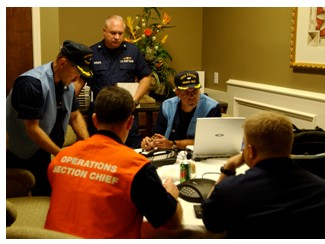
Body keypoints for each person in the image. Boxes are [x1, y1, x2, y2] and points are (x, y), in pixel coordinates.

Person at [44, 86, 183, 238]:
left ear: (95, 120)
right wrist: (171, 194)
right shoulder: (137, 167)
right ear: (130, 122)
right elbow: (172, 223)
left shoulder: (60, 158)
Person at [201, 111, 325, 238]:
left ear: (250, 150)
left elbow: (211, 224)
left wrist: (228, 168)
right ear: (289, 145)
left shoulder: (230, 190)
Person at [6, 40, 92, 196]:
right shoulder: (31, 84)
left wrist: (89, 145)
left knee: (48, 194)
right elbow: (32, 128)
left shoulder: (68, 85)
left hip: (41, 152)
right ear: (63, 63)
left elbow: (75, 116)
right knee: (21, 197)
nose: (77, 78)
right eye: (76, 71)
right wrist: (61, 155)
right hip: (15, 152)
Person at [75, 14, 152, 149]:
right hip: (101, 116)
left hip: (126, 113)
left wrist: (135, 100)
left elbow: (146, 77)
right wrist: (66, 101)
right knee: (101, 154)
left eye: (120, 33)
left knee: (130, 153)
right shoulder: (91, 53)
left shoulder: (133, 51)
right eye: (113, 33)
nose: (117, 37)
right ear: (104, 31)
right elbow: (79, 81)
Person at [141, 70, 221, 151]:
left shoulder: (212, 107)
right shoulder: (167, 106)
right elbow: (159, 133)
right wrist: (151, 141)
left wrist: (172, 144)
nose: (191, 96)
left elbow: (209, 141)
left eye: (195, 91)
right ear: (177, 92)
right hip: (170, 153)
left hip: (199, 152)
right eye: (186, 92)